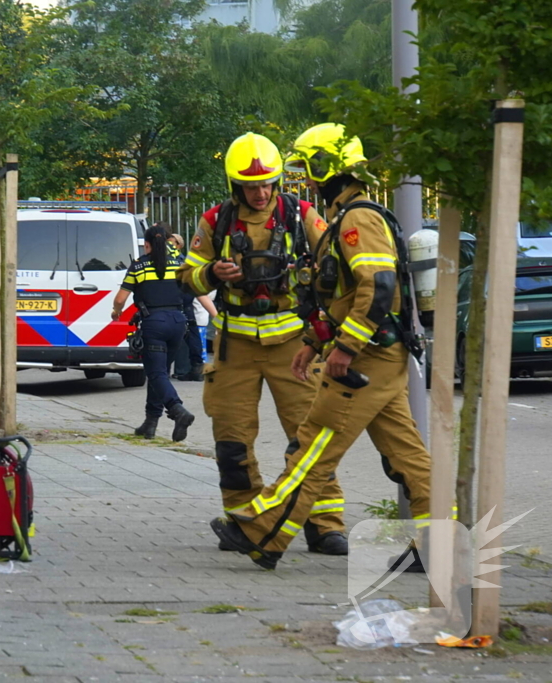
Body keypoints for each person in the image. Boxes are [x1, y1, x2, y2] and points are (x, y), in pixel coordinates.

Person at [209, 123, 431, 570]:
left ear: (328, 167)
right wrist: (314, 342)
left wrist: (345, 348)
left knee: (314, 445)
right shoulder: (347, 216)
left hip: (367, 358)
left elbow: (378, 285)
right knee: (408, 458)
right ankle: (441, 548)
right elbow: (346, 295)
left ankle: (262, 533)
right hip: (380, 354)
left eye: (309, 169)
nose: (307, 180)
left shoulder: (356, 219)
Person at [177, 132, 349, 556]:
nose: (261, 193)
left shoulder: (301, 215)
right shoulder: (215, 221)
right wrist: (213, 274)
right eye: (251, 186)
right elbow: (187, 278)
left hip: (294, 343)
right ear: (235, 186)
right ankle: (244, 522)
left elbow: (335, 266)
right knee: (231, 439)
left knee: (309, 435)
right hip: (235, 344)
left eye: (267, 184)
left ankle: (324, 524)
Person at [112, 224, 196, 442]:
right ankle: (150, 423)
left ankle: (177, 410)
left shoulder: (139, 266)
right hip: (178, 322)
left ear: (146, 244)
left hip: (155, 323)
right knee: (160, 373)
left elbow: (120, 299)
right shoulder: (179, 264)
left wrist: (116, 312)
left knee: (156, 373)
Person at [165, 231, 217, 381]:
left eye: (173, 242)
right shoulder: (184, 262)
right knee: (191, 335)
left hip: (182, 304)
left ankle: (191, 368)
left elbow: (200, 291)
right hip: (187, 305)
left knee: (188, 336)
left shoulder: (183, 262)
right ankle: (195, 368)